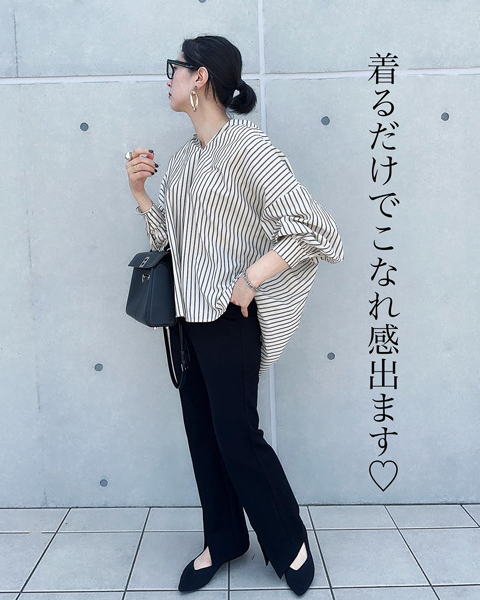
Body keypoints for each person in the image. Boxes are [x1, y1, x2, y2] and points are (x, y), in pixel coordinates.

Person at [125, 35, 344, 595]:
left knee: (238, 437)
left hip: (228, 320)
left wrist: (250, 279)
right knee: (203, 435)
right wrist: (141, 193)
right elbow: (171, 243)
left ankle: (287, 541)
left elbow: (314, 229)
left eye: (175, 68)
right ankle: (223, 539)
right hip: (186, 322)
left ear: (200, 77)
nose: (169, 78)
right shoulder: (184, 159)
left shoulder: (248, 147)